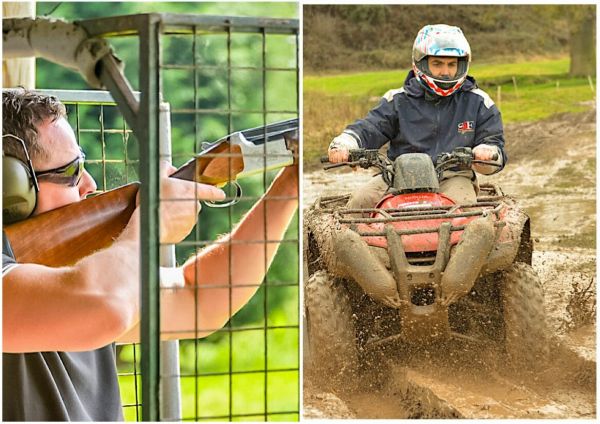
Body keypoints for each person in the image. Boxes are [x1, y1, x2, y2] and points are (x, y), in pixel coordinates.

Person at [2, 89, 299, 421]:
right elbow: (104, 307)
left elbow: (201, 299)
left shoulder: (88, 277)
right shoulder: (91, 291)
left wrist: (287, 189)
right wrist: (150, 224)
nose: (89, 183)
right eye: (71, 172)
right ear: (11, 189)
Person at [328, 24, 506, 207]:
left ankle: (467, 234)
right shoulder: (397, 100)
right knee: (359, 202)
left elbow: (494, 145)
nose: (445, 72)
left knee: (464, 208)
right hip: (398, 176)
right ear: (420, 64)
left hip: (453, 176)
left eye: (452, 64)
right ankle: (355, 237)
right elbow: (370, 127)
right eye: (437, 64)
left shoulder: (478, 102)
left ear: (462, 65)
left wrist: (486, 151)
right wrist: (346, 143)